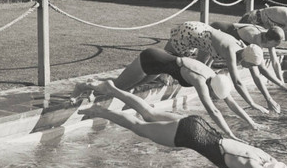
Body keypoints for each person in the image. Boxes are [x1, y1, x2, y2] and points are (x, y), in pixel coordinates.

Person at [78, 79, 287, 168]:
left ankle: (111, 88)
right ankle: (100, 112)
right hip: (190, 135)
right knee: (139, 126)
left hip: (199, 124)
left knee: (147, 113)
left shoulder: (262, 157)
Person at [70, 48, 262, 139]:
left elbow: (229, 102)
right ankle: (82, 86)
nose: (214, 97)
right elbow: (214, 112)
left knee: (123, 91)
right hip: (150, 59)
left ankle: (89, 91)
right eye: (214, 95)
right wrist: (229, 134)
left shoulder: (214, 77)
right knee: (119, 86)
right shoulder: (201, 82)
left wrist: (250, 121)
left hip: (160, 66)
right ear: (212, 89)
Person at [164, 21, 287, 113]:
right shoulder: (231, 51)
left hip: (203, 36)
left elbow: (257, 71)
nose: (249, 67)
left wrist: (272, 94)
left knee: (198, 69)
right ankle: (160, 72)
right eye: (250, 65)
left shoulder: (245, 51)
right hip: (191, 32)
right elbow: (237, 82)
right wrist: (252, 104)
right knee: (170, 57)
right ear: (246, 60)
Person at [210, 21, 287, 84]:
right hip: (216, 29)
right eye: (276, 44)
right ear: (270, 40)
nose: (276, 46)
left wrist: (282, 82)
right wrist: (281, 85)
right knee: (209, 60)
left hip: (225, 35)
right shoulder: (255, 39)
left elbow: (275, 62)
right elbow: (262, 69)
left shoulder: (268, 38)